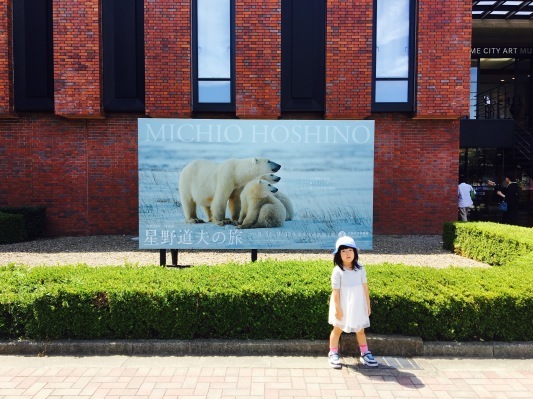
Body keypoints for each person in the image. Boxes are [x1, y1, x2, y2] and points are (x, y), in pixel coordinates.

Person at [328, 236, 377, 369]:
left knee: (360, 330)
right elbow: (336, 291)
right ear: (338, 254)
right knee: (337, 329)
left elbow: (364, 286)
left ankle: (365, 353)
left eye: (350, 250)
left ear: (355, 252)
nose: (347, 253)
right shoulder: (337, 271)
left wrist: (367, 304)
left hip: (357, 305)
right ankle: (332, 353)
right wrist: (338, 309)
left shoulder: (360, 268)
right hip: (342, 305)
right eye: (343, 251)